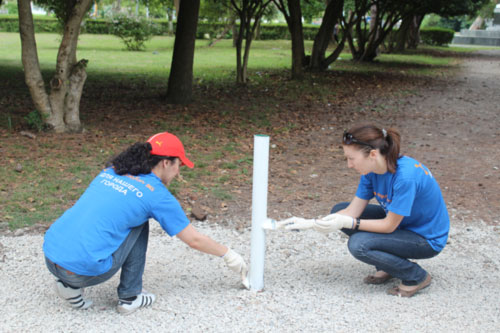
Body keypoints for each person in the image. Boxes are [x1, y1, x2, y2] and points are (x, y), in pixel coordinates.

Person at [43, 132, 248, 314]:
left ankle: (68, 286)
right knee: (140, 223)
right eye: (179, 165)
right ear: (166, 163)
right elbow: (193, 239)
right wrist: (229, 255)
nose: (179, 173)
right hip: (84, 272)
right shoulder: (155, 194)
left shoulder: (113, 171)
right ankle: (130, 297)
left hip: (51, 257)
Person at [272, 124, 450, 297]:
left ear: (372, 154)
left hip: (425, 238)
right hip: (402, 223)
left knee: (359, 245)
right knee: (339, 210)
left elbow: (388, 226)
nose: (349, 165)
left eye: (351, 158)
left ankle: (416, 277)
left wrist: (348, 222)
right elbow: (352, 212)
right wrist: (310, 223)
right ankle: (388, 266)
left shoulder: (406, 177)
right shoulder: (371, 170)